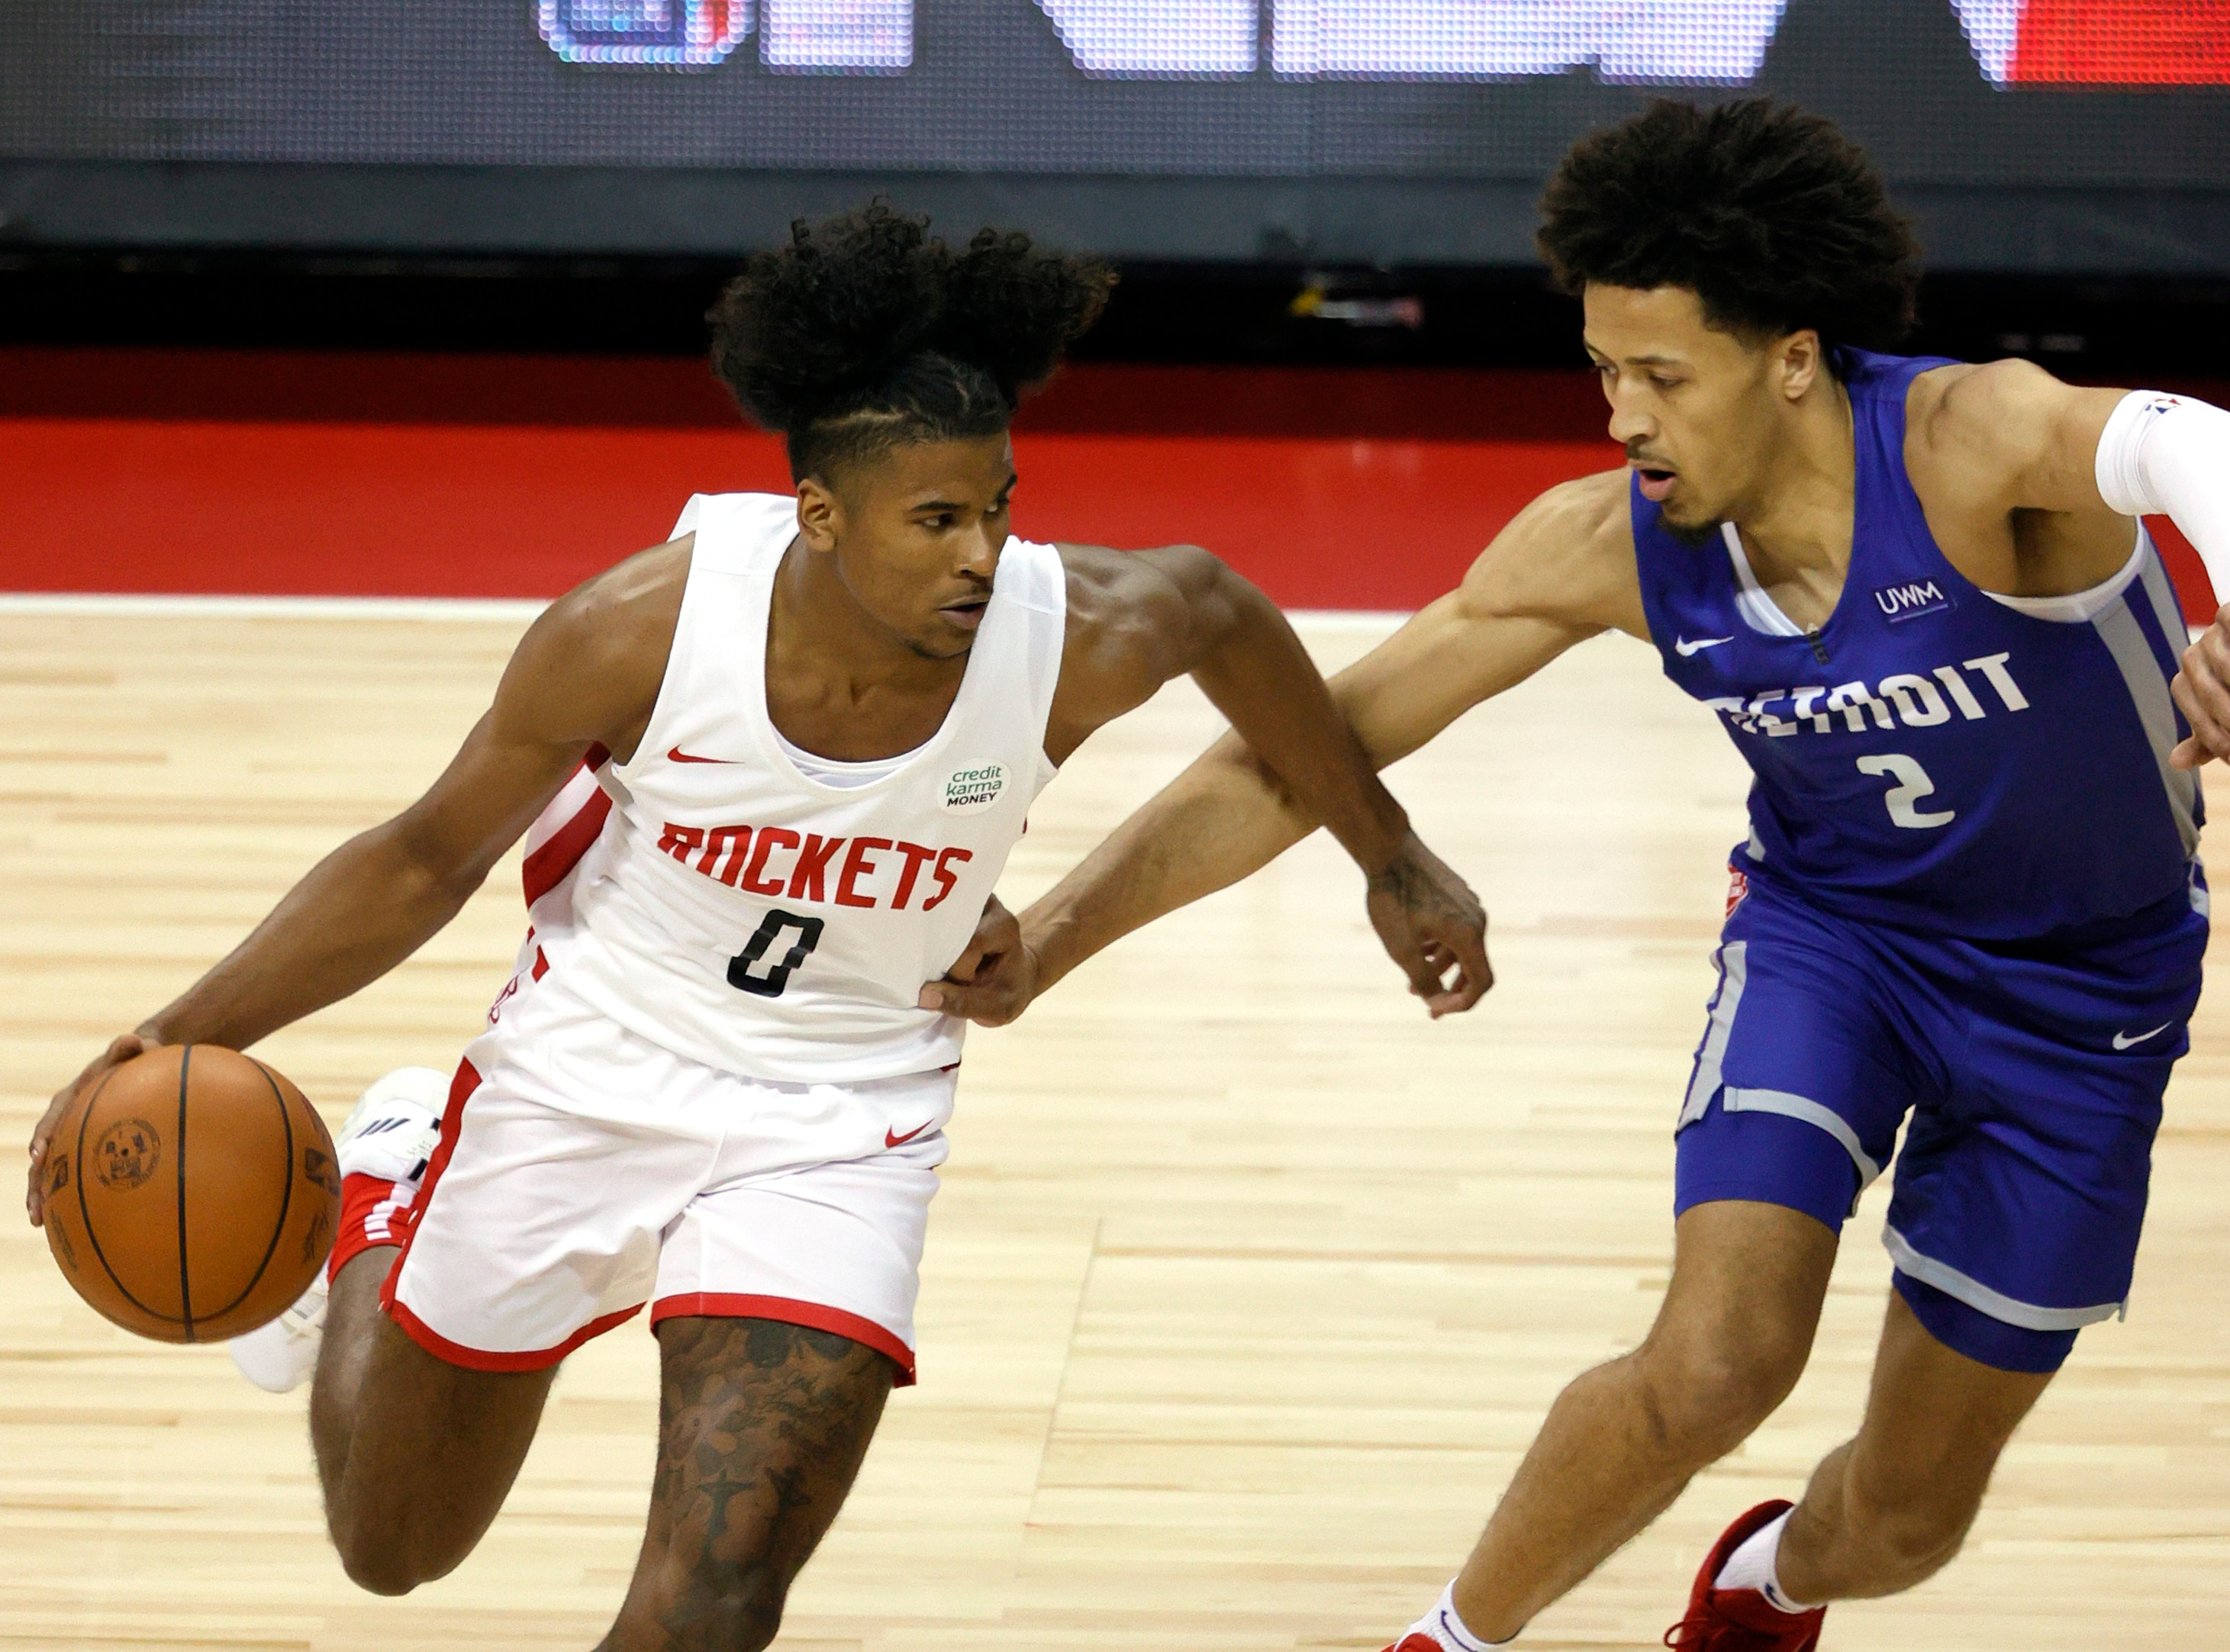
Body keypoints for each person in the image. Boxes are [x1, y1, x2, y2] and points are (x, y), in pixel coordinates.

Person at [923, 101, 2230, 1650]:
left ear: (1789, 356)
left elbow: (2202, 444)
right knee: (1715, 1363)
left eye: (1660, 376)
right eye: (1600, 370)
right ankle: (1446, 1639)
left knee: (1907, 1524)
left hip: (2085, 995)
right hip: (1832, 947)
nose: (1619, 419)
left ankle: (1765, 1581)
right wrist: (1045, 943)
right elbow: (1294, 758)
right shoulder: (1605, 543)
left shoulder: (1962, 445)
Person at [21, 202, 1491, 1650]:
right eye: (938, 520)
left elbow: (1227, 616)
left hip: (844, 1107)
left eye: (1000, 505)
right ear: (821, 515)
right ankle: (388, 1187)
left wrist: (1392, 856)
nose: (982, 551)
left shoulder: (1066, 633)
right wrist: (189, 1030)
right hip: (589, 1061)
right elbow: (422, 857)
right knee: (395, 1546)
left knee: (720, 1596)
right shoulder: (636, 633)